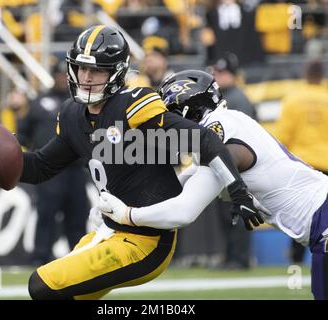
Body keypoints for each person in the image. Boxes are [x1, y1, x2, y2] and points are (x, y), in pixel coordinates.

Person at [0, 25, 262, 300]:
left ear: (116, 72)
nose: (87, 77)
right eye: (82, 68)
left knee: (41, 285)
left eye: (97, 70)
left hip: (146, 240)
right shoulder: (72, 115)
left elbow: (205, 140)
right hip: (108, 231)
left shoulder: (134, 106)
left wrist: (237, 190)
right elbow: (41, 167)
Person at [98, 70, 328, 300]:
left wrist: (128, 215)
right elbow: (179, 185)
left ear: (187, 109)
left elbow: (183, 211)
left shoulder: (218, 133)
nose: (165, 125)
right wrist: (120, 213)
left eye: (168, 116)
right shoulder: (226, 123)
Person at [13, 60, 91, 266]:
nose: (60, 79)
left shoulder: (80, 102)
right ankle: (40, 257)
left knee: (77, 215)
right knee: (46, 214)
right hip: (48, 169)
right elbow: (22, 134)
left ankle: (79, 257)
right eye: (57, 75)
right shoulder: (39, 102)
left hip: (75, 169)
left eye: (63, 76)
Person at [275, 59, 328, 265]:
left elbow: (283, 136)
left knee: (300, 215)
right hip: (325, 163)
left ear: (305, 74)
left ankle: (296, 259)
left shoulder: (293, 98)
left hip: (303, 166)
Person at [209, 52, 256, 269]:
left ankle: (240, 258)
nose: (217, 76)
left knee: (237, 212)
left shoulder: (237, 99)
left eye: (222, 72)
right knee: (227, 214)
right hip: (228, 166)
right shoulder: (226, 98)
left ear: (233, 74)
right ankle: (231, 256)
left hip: (238, 168)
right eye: (216, 72)